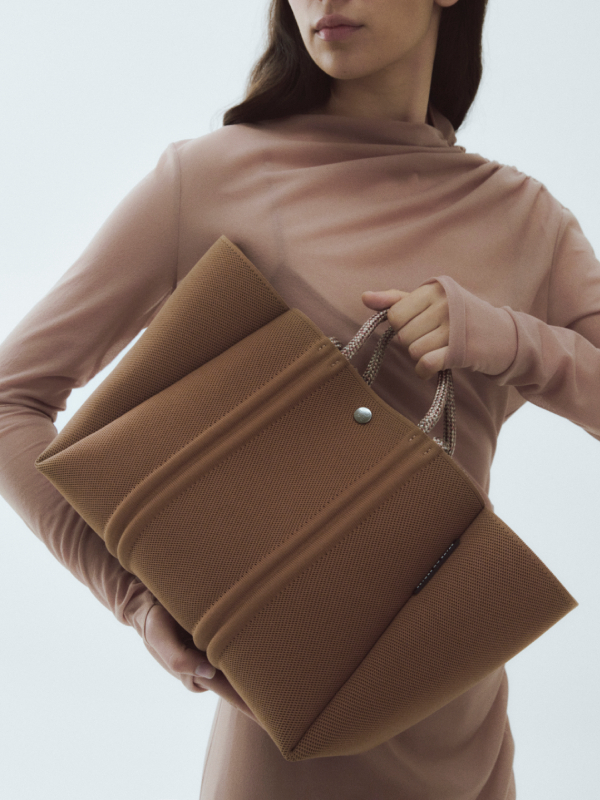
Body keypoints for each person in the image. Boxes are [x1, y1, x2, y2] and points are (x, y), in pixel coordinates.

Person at [0, 0, 598, 797]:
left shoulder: (528, 220)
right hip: (287, 736)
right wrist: (136, 598)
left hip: (462, 718)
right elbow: (13, 397)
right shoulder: (215, 178)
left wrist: (509, 340)